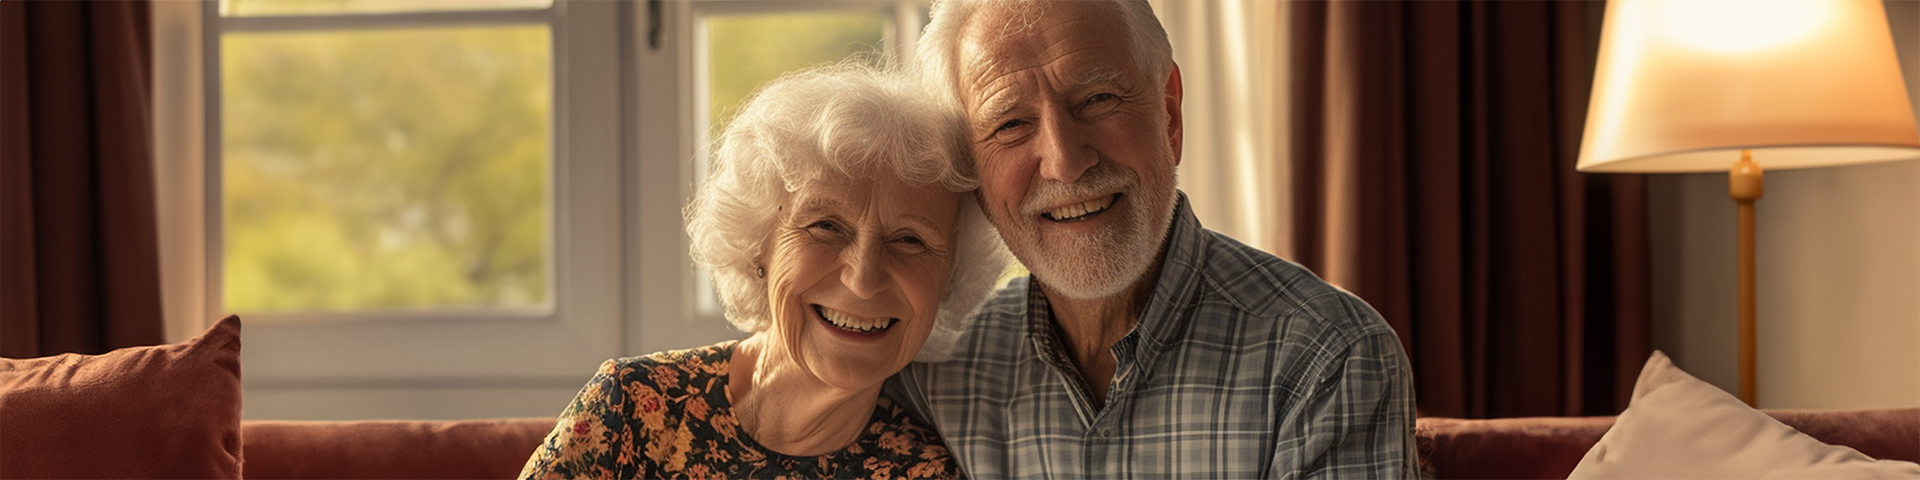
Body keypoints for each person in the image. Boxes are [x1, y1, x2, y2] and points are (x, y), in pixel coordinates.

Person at [886, 0, 1419, 478]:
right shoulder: (935, 366)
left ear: (1169, 114)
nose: (1066, 162)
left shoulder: (1328, 359)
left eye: (1097, 98)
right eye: (1010, 124)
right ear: (974, 176)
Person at [518, 63, 1010, 479]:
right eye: (826, 226)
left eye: (910, 240)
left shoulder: (921, 469)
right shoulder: (634, 408)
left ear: (949, 278)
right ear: (760, 247)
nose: (863, 277)